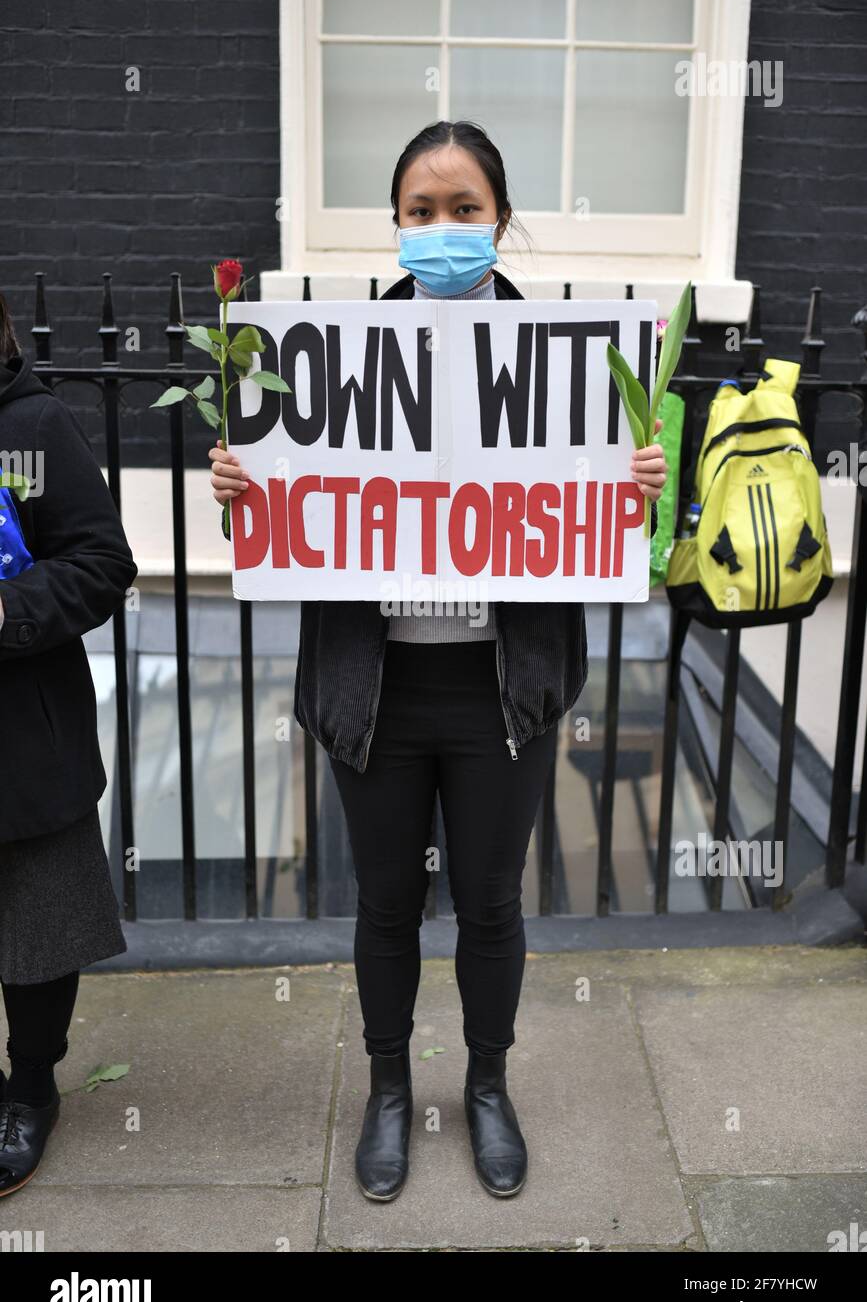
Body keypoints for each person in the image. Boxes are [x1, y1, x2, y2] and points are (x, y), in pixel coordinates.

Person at [209, 120, 667, 1202]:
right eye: (422, 212)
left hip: (497, 690)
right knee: (382, 903)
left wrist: (636, 481)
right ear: (396, 226)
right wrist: (244, 490)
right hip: (378, 687)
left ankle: (490, 1085)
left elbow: (604, 518)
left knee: (492, 900)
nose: (444, 230)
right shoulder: (326, 365)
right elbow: (295, 520)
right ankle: (385, 1089)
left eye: (465, 211)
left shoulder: (574, 370)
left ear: (500, 221)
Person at [0, 293, 138, 1195]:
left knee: (36, 931)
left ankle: (29, 1090)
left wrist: (5, 608)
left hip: (20, 737)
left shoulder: (35, 427)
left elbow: (101, 562)